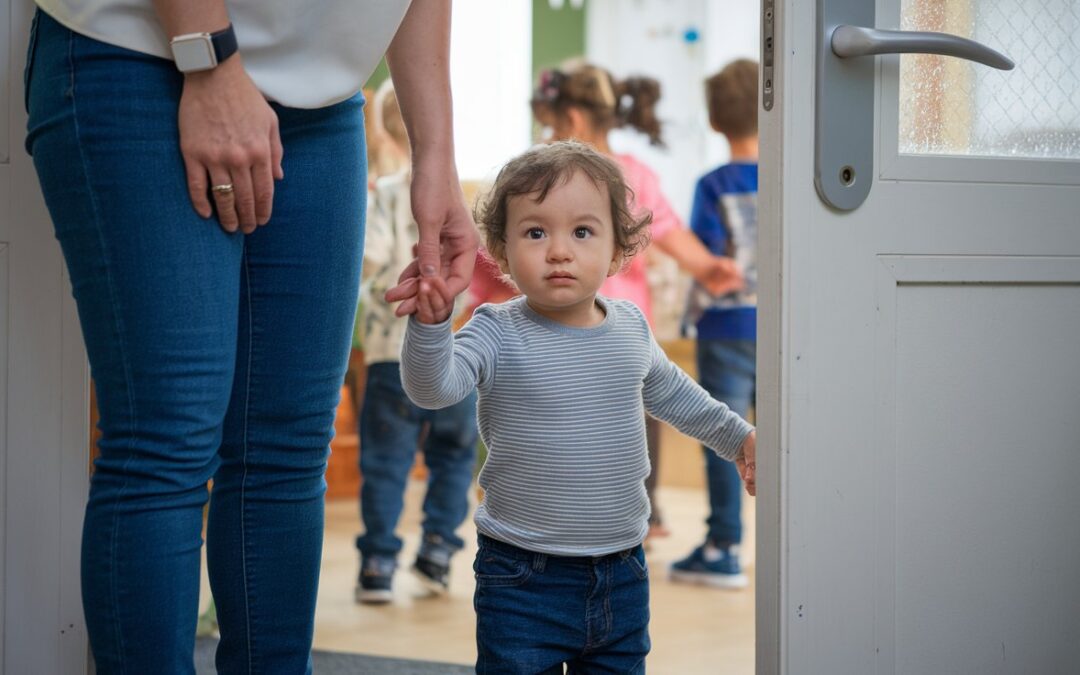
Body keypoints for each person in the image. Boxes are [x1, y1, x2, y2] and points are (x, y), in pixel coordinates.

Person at [23, 0, 477, 671]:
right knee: (166, 441)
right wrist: (207, 57)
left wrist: (434, 153)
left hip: (322, 99)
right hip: (143, 51)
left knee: (287, 450)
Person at [399, 141, 757, 673]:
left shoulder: (631, 329)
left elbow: (682, 399)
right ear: (501, 251)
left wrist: (740, 438)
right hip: (520, 577)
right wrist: (430, 328)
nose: (559, 251)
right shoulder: (495, 331)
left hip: (621, 574)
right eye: (535, 232)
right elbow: (433, 389)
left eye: (582, 232)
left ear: (617, 251)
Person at [529, 62, 743, 539]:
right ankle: (647, 511)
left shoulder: (545, 173)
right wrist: (710, 267)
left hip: (566, 323)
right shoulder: (635, 174)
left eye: (551, 123)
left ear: (575, 122)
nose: (546, 134)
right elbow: (668, 231)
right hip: (626, 325)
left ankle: (577, 508)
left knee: (570, 417)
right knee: (638, 411)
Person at [354, 80, 478, 604]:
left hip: (391, 356)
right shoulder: (462, 201)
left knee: (386, 460)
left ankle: (379, 564)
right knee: (453, 455)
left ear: (382, 128)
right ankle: (437, 552)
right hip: (455, 352)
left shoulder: (383, 194)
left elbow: (370, 264)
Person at [670, 59, 760, 589]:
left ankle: (724, 547)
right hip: (781, 329)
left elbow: (703, 253)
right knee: (786, 439)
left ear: (715, 121)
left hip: (725, 329)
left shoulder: (713, 184)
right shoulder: (790, 180)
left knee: (728, 438)